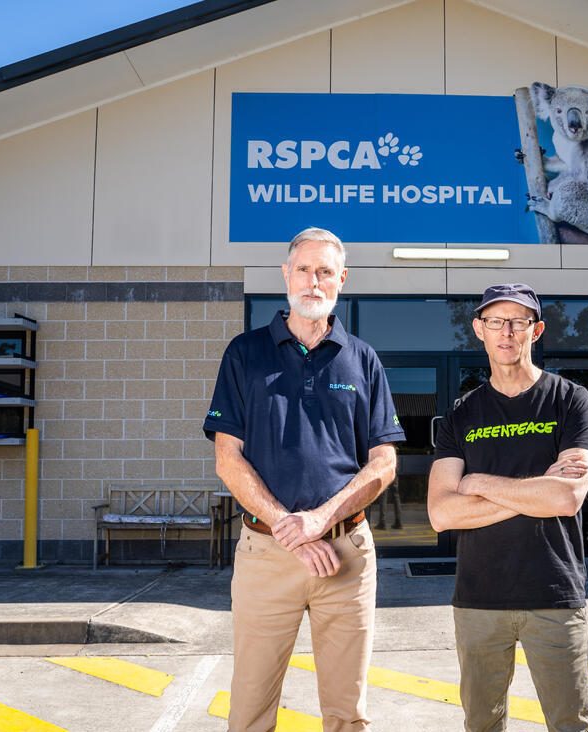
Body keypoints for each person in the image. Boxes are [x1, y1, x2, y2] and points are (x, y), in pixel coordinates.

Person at [204, 227, 405, 732]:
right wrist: (291, 531)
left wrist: (320, 519)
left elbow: (384, 463)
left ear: (342, 279)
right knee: (249, 711)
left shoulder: (362, 359)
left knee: (347, 714)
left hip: (347, 553)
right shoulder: (245, 354)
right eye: (303, 269)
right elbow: (228, 459)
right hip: (266, 554)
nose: (312, 281)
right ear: (285, 275)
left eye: (324, 272)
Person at [427, 283, 588, 732]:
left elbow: (566, 497)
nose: (507, 331)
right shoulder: (461, 415)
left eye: (518, 321)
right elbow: (442, 513)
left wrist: (479, 484)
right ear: (479, 331)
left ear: (536, 330)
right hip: (478, 598)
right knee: (481, 724)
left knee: (571, 724)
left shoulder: (571, 401)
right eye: (495, 321)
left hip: (554, 594)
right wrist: (534, 495)